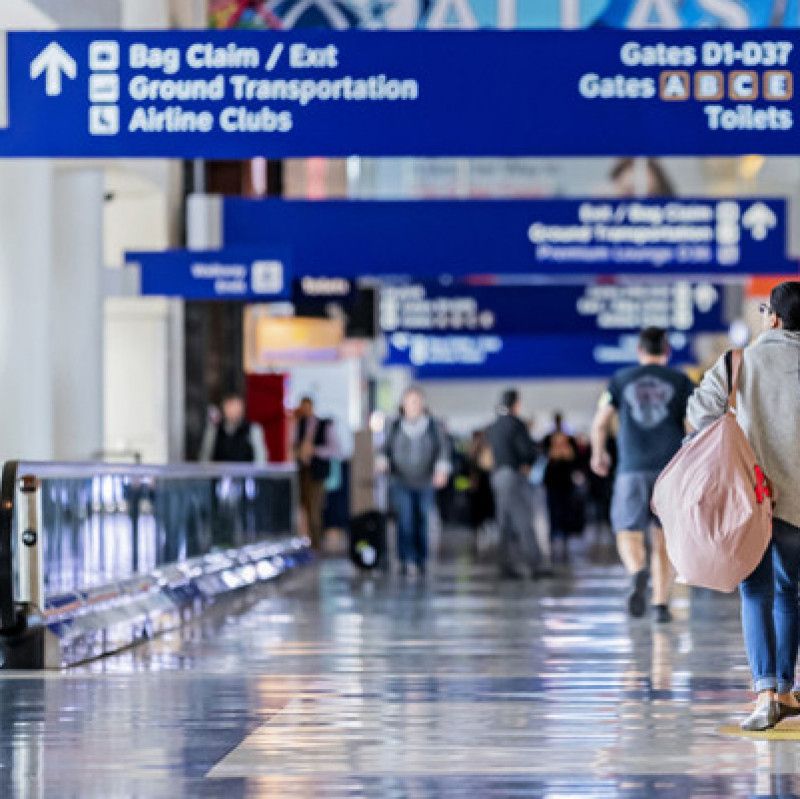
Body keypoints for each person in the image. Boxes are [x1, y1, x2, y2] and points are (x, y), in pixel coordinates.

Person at [687, 281, 800, 731]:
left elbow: (700, 414)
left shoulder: (740, 361)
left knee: (756, 591)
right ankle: (788, 690)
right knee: (790, 593)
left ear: (771, 316)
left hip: (753, 501)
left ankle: (765, 693)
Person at [590, 327, 694, 623]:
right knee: (664, 539)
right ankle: (661, 604)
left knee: (627, 531)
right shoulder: (681, 381)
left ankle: (637, 572)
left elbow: (600, 423)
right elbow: (692, 425)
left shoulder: (620, 381)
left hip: (630, 469)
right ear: (667, 351)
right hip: (669, 471)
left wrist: (599, 454)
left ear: (639, 351)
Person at [377, 386, 451, 576]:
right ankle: (405, 558)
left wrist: (441, 470)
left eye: (417, 402)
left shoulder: (433, 426)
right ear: (403, 404)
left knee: (422, 519)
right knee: (405, 519)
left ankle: (421, 558)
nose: (414, 406)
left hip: (425, 481)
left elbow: (443, 449)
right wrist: (383, 462)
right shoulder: (394, 426)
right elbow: (384, 450)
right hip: (401, 481)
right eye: (410, 402)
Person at [486, 389, 542, 580]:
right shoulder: (516, 424)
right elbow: (527, 451)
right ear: (515, 404)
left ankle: (505, 565)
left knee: (504, 523)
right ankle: (535, 564)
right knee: (524, 520)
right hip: (513, 475)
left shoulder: (494, 426)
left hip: (497, 476)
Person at [294, 397, 340, 551]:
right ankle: (305, 542)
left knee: (315, 509)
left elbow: (335, 449)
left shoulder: (324, 425)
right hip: (302, 472)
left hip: (317, 473)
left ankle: (316, 545)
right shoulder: (298, 425)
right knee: (303, 509)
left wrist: (314, 451)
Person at [542, 413, 583, 564]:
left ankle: (563, 536)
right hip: (554, 480)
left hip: (564, 481)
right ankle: (554, 536)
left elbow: (574, 458)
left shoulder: (568, 439)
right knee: (553, 509)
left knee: (565, 509)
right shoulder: (549, 439)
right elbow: (545, 455)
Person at [199, 392, 267, 464]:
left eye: (236, 406)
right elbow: (205, 458)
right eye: (230, 406)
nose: (233, 410)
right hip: (219, 474)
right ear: (224, 407)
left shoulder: (253, 429)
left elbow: (261, 459)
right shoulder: (214, 430)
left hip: (247, 474)